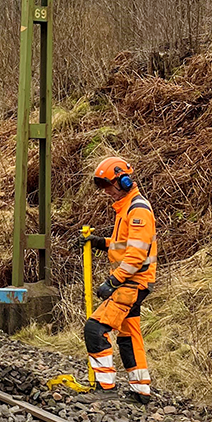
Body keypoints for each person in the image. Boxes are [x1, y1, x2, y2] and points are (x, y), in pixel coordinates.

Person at [78, 156, 158, 404]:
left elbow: (136, 255)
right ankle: (140, 391)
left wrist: (113, 281)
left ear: (124, 181)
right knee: (128, 336)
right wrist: (101, 243)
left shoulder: (138, 210)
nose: (106, 191)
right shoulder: (127, 207)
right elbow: (124, 244)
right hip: (132, 282)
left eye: (108, 185)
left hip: (132, 282)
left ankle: (106, 388)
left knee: (95, 329)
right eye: (102, 187)